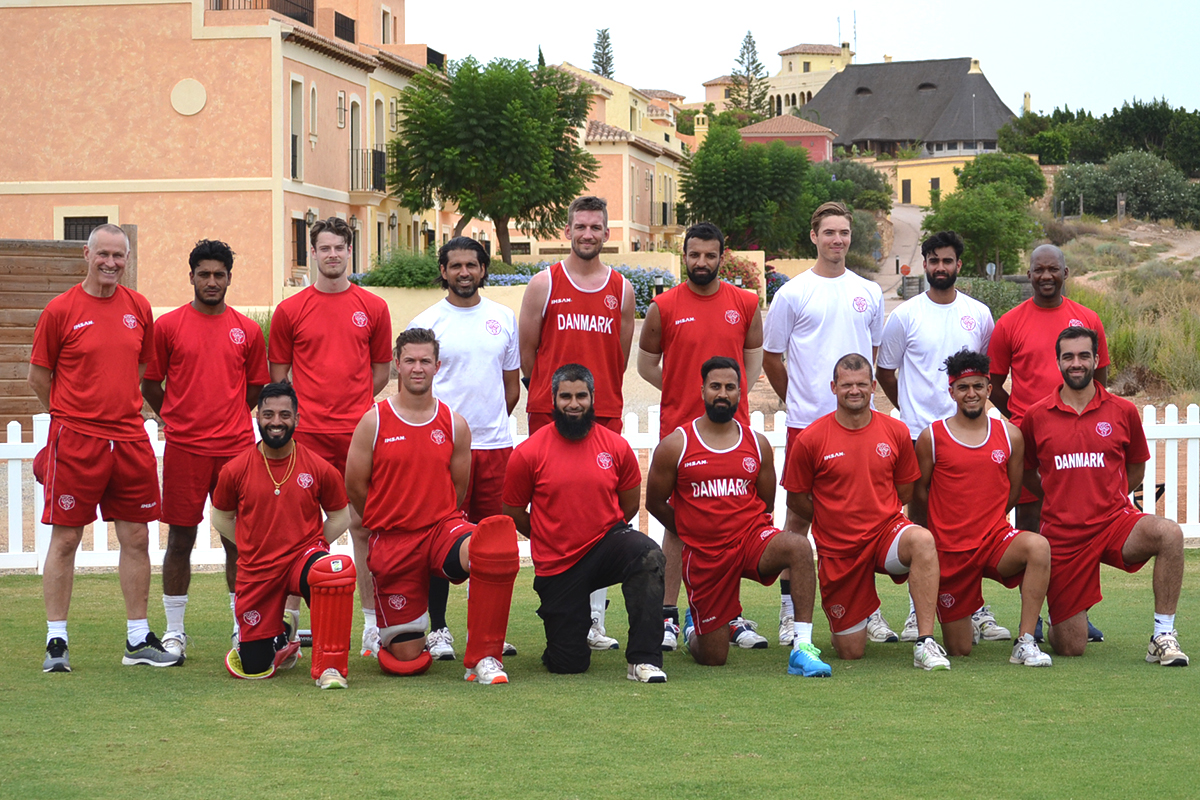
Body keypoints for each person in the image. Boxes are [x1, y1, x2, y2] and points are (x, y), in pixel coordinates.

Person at [30, 223, 180, 672]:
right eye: (104, 255)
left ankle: (138, 638)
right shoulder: (60, 310)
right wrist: (69, 415)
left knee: (136, 536)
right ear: (86, 254)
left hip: (130, 437)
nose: (111, 263)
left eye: (119, 256)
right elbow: (40, 377)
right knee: (66, 538)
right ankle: (57, 640)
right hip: (75, 438)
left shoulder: (139, 307)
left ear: (127, 258)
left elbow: (137, 365)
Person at [344, 328, 519, 685]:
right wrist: (389, 517)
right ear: (397, 364)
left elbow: (458, 489)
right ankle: (393, 635)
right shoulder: (373, 422)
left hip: (440, 531)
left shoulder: (454, 424)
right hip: (393, 542)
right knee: (407, 661)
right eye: (410, 360)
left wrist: (433, 517)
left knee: (493, 547)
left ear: (438, 365)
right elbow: (355, 486)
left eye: (425, 360)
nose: (418, 368)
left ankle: (484, 657)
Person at [645, 357, 830, 676]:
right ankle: (693, 630)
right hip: (706, 554)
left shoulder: (757, 444)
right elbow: (655, 502)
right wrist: (690, 532)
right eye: (715, 386)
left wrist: (750, 529)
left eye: (730, 387)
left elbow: (766, 502)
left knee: (798, 547)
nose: (722, 393)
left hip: (750, 542)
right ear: (702, 389)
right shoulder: (677, 444)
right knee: (713, 657)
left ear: (740, 392)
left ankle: (802, 647)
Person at [1020, 327, 1187, 664]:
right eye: (1068, 356)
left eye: (1084, 356)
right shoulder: (1037, 416)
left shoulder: (1122, 411)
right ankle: (1062, 615)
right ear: (1058, 362)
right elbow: (1026, 474)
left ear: (1097, 359)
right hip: (1063, 537)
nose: (1076, 363)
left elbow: (1136, 468)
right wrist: (1059, 495)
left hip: (1113, 523)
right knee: (1071, 646)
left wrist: (1106, 495)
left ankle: (1163, 635)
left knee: (1169, 533)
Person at [762, 201, 887, 646]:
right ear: (813, 236)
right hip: (807, 424)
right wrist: (796, 399)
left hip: (859, 425)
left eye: (844, 233)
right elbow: (772, 357)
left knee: (865, 518)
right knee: (797, 521)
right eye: (829, 232)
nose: (837, 240)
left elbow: (870, 356)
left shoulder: (869, 292)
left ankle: (866, 610)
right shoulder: (793, 294)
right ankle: (787, 613)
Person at [637, 221, 765, 651]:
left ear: (721, 257)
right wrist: (682, 392)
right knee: (678, 523)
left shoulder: (745, 303)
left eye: (710, 255)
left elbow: (752, 360)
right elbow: (646, 365)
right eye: (695, 255)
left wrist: (730, 399)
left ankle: (730, 614)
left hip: (732, 432)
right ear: (684, 256)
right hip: (681, 433)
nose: (702, 262)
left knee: (734, 521)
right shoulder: (664, 306)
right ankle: (669, 616)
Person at [269, 216, 392, 656]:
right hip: (307, 438)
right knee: (294, 530)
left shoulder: (373, 308)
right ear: (313, 253)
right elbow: (279, 379)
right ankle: (289, 626)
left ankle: (371, 625)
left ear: (349, 251)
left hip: (357, 436)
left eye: (340, 247)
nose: (333, 255)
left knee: (362, 527)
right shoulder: (291, 310)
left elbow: (380, 371)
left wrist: (352, 405)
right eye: (325, 248)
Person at [141, 239, 270, 660]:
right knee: (180, 538)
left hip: (235, 450)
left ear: (229, 278)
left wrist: (230, 417)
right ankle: (174, 632)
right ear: (191, 276)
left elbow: (255, 387)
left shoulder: (247, 330)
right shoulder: (169, 326)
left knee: (238, 541)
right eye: (204, 274)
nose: (211, 282)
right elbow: (150, 385)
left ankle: (242, 628)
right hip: (184, 449)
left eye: (219, 275)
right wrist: (176, 419)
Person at [876, 230, 1007, 644]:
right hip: (921, 437)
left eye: (947, 261)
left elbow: (983, 371)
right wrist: (913, 414)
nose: (940, 268)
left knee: (977, 523)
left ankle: (977, 608)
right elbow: (886, 371)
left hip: (970, 436)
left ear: (958, 265)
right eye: (933, 260)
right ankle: (919, 610)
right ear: (924, 264)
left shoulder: (979, 314)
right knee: (924, 524)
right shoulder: (905, 315)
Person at [518, 196, 636, 649]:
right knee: (556, 507)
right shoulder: (544, 283)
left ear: (608, 233)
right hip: (551, 414)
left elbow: (619, 356)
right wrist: (548, 396)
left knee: (601, 513)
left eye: (596, 227)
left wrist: (596, 395)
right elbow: (529, 352)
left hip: (602, 412)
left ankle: (595, 619)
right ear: (566, 231)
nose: (588, 234)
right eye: (580, 226)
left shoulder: (621, 289)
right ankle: (563, 606)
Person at [782, 354, 950, 670]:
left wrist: (876, 511)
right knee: (850, 650)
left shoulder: (896, 431)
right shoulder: (811, 439)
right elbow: (796, 499)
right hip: (840, 549)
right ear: (833, 387)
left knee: (922, 540)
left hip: (885, 534)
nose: (854, 390)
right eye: (847, 385)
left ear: (873, 387)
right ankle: (861, 614)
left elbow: (904, 491)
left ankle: (925, 642)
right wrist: (832, 517)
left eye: (861, 384)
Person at [503, 364, 667, 683]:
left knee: (648, 555)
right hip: (559, 563)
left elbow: (629, 503)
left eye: (581, 395)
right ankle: (561, 633)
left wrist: (604, 530)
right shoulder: (529, 453)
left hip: (606, 545)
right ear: (554, 399)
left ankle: (643, 661)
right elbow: (512, 510)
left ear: (592, 398)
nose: (574, 404)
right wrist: (547, 536)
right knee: (569, 663)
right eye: (566, 396)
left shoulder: (615, 446)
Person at [408, 237, 521, 661]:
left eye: (471, 265)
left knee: (491, 544)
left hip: (494, 448)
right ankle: (438, 629)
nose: (463, 272)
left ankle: (487, 632)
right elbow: (417, 389)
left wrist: (485, 428)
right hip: (441, 450)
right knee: (437, 539)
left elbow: (511, 388)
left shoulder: (503, 318)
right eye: (455, 265)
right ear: (443, 270)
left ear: (484, 269)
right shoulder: (427, 322)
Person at [990, 243, 1109, 642]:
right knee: (1030, 527)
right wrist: (1020, 419)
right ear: (1028, 273)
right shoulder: (1009, 323)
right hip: (1032, 445)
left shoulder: (1087, 318)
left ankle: (1077, 611)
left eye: (1052, 270)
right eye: (1038, 270)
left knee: (1081, 528)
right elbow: (993, 384)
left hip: (1077, 441)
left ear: (1065, 272)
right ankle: (1034, 618)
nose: (1045, 276)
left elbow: (1099, 377)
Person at [210, 383, 356, 688]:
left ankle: (330, 668)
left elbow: (341, 515)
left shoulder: (317, 467)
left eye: (285, 414)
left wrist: (317, 542)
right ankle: (282, 639)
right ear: (258, 418)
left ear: (297, 419)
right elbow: (221, 517)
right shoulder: (235, 469)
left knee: (331, 572)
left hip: (303, 558)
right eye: (269, 414)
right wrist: (249, 544)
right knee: (254, 666)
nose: (276, 421)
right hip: (258, 568)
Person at [913, 350, 1053, 666]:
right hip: (951, 552)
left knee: (1038, 547)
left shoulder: (1010, 435)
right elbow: (919, 494)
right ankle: (970, 616)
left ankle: (1026, 641)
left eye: (978, 386)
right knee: (960, 648)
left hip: (994, 542)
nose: (971, 394)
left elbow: (1013, 492)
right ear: (951, 392)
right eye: (963, 387)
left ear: (990, 389)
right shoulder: (932, 437)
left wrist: (986, 520)